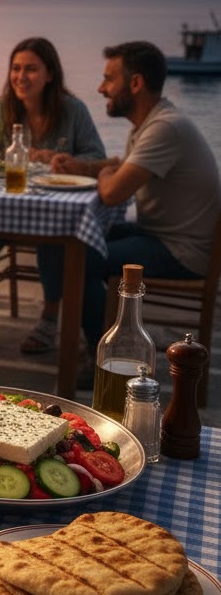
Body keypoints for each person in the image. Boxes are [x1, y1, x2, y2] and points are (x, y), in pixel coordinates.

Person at [52, 40, 221, 360]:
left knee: (78, 257)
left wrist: (102, 175)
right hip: (159, 235)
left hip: (181, 251)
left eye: (108, 79)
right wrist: (84, 168)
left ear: (136, 83)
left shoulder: (164, 128)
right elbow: (122, 166)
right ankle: (99, 333)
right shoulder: (151, 123)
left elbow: (112, 192)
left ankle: (103, 355)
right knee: (72, 240)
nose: (101, 88)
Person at [0, 37, 105, 358]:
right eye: (16, 68)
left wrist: (65, 159)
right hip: (9, 203)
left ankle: (49, 320)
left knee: (52, 239)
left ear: (50, 74)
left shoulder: (72, 110)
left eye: (31, 69)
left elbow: (96, 156)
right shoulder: (3, 108)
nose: (21, 77)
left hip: (53, 202)